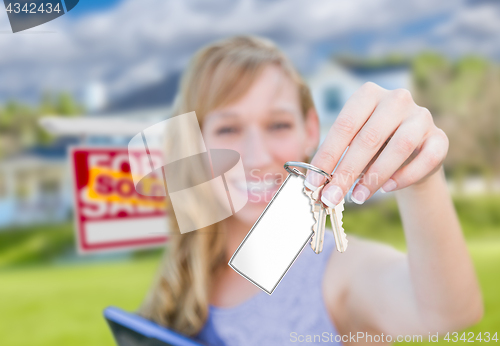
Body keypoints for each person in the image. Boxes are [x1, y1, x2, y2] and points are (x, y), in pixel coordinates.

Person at [139, 36, 483, 345]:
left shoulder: (336, 272)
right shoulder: (190, 263)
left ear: (310, 131)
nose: (257, 155)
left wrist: (418, 175)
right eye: (228, 128)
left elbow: (445, 316)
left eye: (278, 125)